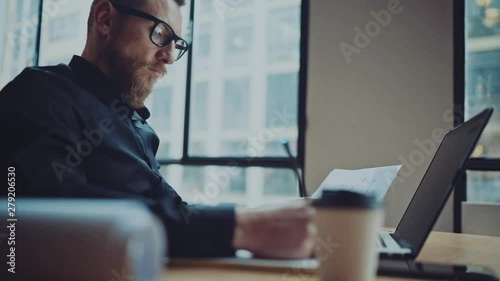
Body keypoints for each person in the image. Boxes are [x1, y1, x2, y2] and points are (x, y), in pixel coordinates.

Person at [0, 0, 315, 258]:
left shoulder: (138, 126)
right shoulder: (38, 94)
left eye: (176, 43)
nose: (169, 57)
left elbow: (174, 213)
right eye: (160, 34)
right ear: (105, 19)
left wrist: (270, 217)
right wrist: (242, 227)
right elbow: (47, 214)